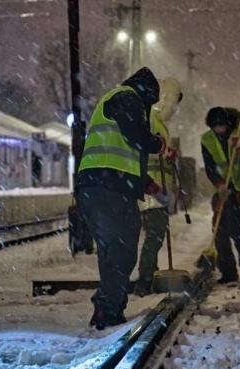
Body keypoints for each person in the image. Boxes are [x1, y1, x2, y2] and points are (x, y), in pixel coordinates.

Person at [76, 67, 171, 330]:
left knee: (113, 250)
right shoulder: (126, 97)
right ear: (147, 93)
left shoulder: (119, 99)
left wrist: (152, 187)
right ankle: (107, 309)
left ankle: (109, 310)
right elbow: (136, 135)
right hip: (107, 189)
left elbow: (124, 152)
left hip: (100, 186)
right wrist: (156, 142)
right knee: (121, 248)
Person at [134, 77, 183, 297]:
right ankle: (144, 280)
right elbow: (146, 146)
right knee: (154, 236)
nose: (174, 109)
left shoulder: (158, 122)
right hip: (151, 189)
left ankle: (149, 275)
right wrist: (164, 152)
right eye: (174, 103)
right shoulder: (152, 119)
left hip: (156, 188)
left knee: (154, 235)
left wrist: (168, 155)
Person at [201, 107, 240, 283]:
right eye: (215, 127)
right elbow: (209, 166)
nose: (219, 130)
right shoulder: (207, 139)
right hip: (222, 188)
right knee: (219, 229)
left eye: (221, 126)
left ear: (228, 124)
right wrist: (219, 185)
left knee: (234, 226)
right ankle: (228, 271)